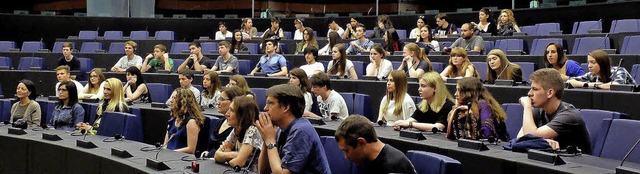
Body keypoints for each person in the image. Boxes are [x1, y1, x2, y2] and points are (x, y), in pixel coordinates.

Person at [255, 84, 331, 174]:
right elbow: (263, 171)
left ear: (286, 107)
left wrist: (270, 141)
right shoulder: (280, 129)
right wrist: (266, 139)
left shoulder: (301, 131)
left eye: (270, 103)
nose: (265, 108)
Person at [518, 68, 592, 154]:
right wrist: (542, 142)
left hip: (577, 164)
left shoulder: (569, 115)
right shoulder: (538, 110)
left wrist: (527, 107)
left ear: (550, 93)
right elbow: (519, 138)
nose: (529, 93)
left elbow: (530, 135)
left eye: (535, 89)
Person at [335, 115, 416, 174]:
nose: (346, 156)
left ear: (361, 143)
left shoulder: (395, 167)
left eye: (346, 150)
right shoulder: (364, 159)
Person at [214, 96, 262, 171]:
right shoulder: (236, 129)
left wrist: (226, 156)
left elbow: (238, 163)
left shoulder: (252, 130)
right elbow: (217, 155)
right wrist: (236, 155)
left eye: (231, 110)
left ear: (243, 115)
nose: (227, 114)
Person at [205, 87, 246, 155]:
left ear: (234, 102)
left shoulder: (237, 128)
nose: (218, 103)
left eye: (222, 99)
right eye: (219, 99)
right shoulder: (219, 122)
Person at [567, 50, 637, 89]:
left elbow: (615, 86)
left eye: (593, 62)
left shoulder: (619, 71)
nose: (589, 66)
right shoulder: (591, 75)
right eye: (588, 62)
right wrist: (590, 85)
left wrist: (597, 85)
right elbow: (569, 81)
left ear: (603, 63)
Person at [164, 88, 205, 154]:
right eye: (172, 98)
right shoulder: (172, 120)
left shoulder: (191, 122)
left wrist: (170, 153)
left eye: (175, 98)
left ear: (182, 102)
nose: (171, 101)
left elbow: (191, 149)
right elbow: (165, 144)